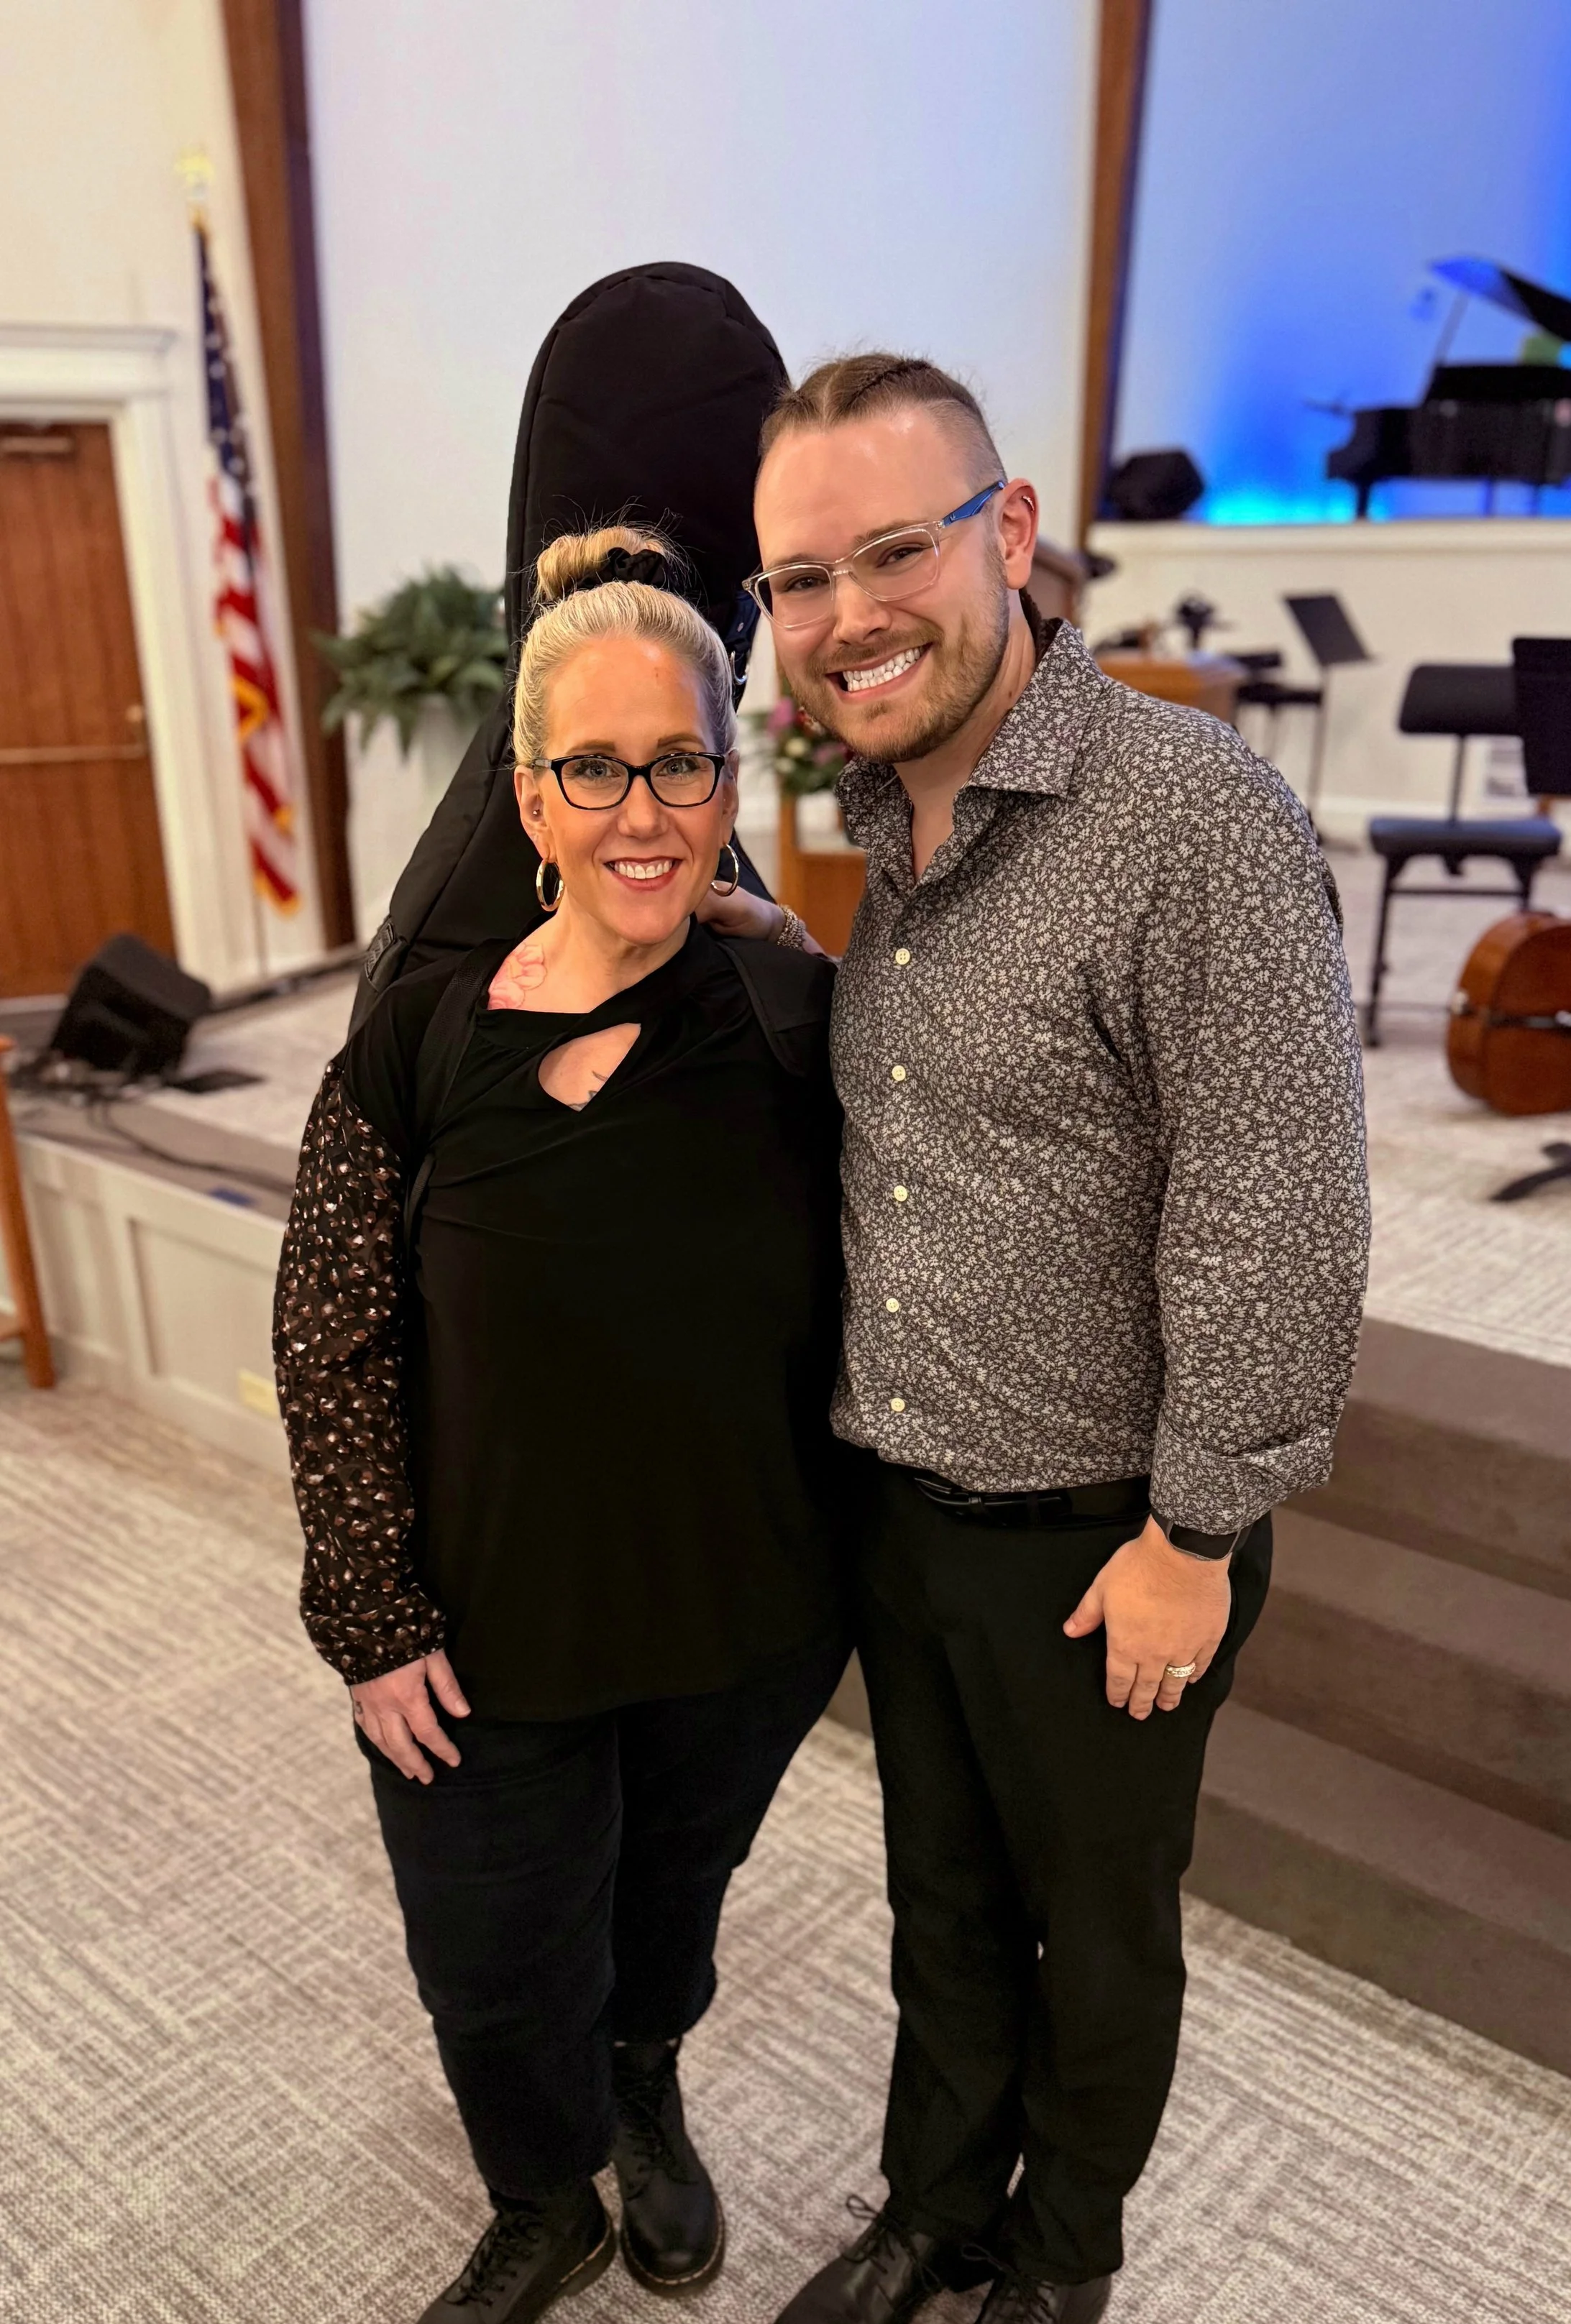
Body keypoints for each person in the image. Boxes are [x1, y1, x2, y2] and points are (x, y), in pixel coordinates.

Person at [717, 355, 1370, 2323]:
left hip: (1110, 1542)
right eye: (799, 579)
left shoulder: (1193, 821)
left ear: (1009, 536)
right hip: (906, 1510)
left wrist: (1196, 1533)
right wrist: (804, 976)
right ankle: (934, 2206)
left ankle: (1055, 2260)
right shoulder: (893, 815)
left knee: (1097, 1935)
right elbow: (993, 1087)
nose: (847, 617)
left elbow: (1276, 1207)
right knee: (943, 1904)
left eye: (893, 550)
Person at [273, 527, 846, 2324]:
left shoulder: (791, 1017)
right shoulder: (419, 1036)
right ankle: (543, 2197)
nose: (638, 809)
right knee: (490, 1951)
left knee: (665, 1904)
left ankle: (647, 2081)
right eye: (590, 769)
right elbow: (328, 1330)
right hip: (485, 1620)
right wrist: (370, 1611)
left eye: (675, 761)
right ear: (527, 798)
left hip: (738, 1611)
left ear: (725, 775)